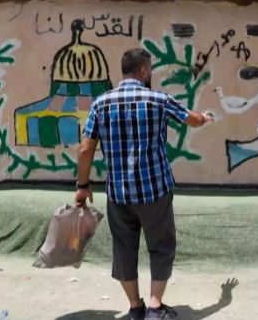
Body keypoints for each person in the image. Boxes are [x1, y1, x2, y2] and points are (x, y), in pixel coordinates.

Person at [75, 48, 215, 320]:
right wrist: (205, 117)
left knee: (124, 250)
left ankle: (136, 307)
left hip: (119, 194)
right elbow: (192, 119)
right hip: (155, 191)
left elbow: (85, 149)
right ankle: (155, 305)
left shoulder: (100, 103)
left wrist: (82, 185)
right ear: (142, 71)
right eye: (149, 69)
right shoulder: (158, 99)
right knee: (161, 247)